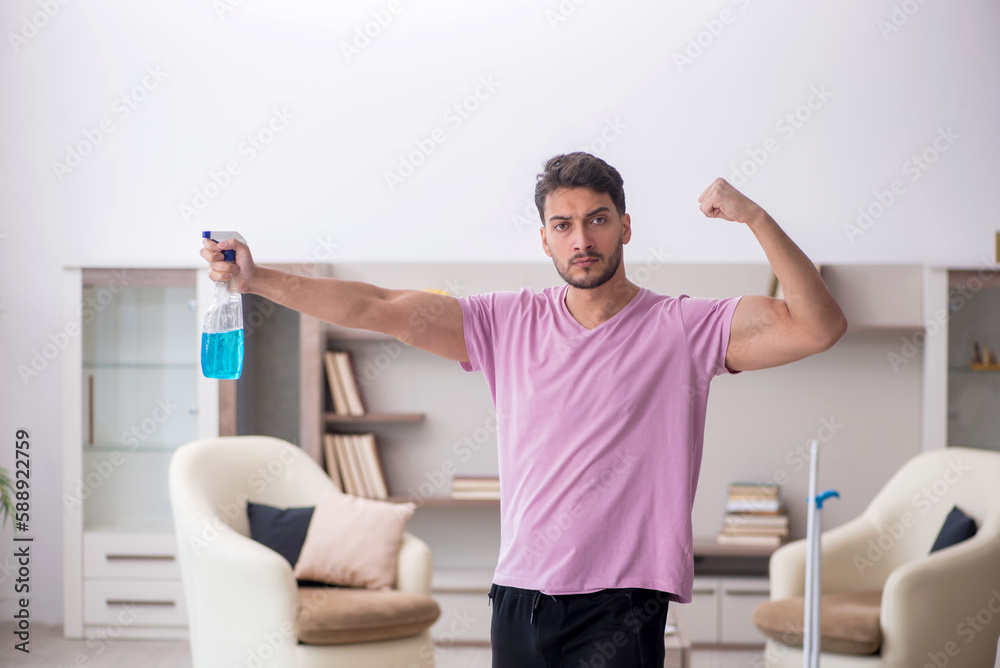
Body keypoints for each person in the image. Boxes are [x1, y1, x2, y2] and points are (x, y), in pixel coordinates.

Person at [200, 152, 847, 667]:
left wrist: (755, 217)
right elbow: (378, 307)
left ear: (625, 227)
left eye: (597, 219)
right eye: (563, 225)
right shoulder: (503, 322)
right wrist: (257, 280)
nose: (581, 239)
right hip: (520, 594)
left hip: (622, 600)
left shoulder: (683, 327)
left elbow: (817, 328)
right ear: (544, 239)